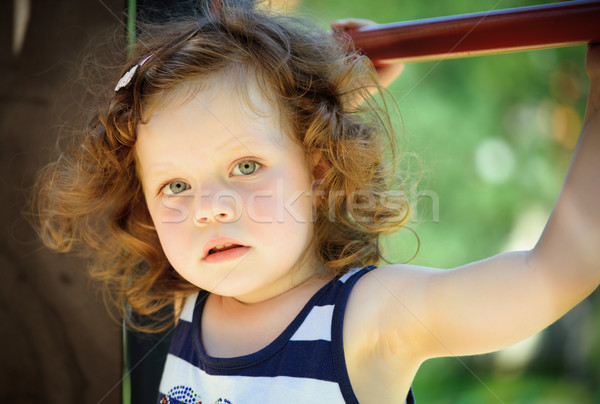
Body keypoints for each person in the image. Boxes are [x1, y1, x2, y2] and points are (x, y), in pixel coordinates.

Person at [30, 2, 599, 403]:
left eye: (245, 167)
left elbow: (549, 274)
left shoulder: (366, 319)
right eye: (174, 186)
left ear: (319, 169)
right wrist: (329, 90)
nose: (209, 209)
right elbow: (243, 132)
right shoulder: (196, 305)